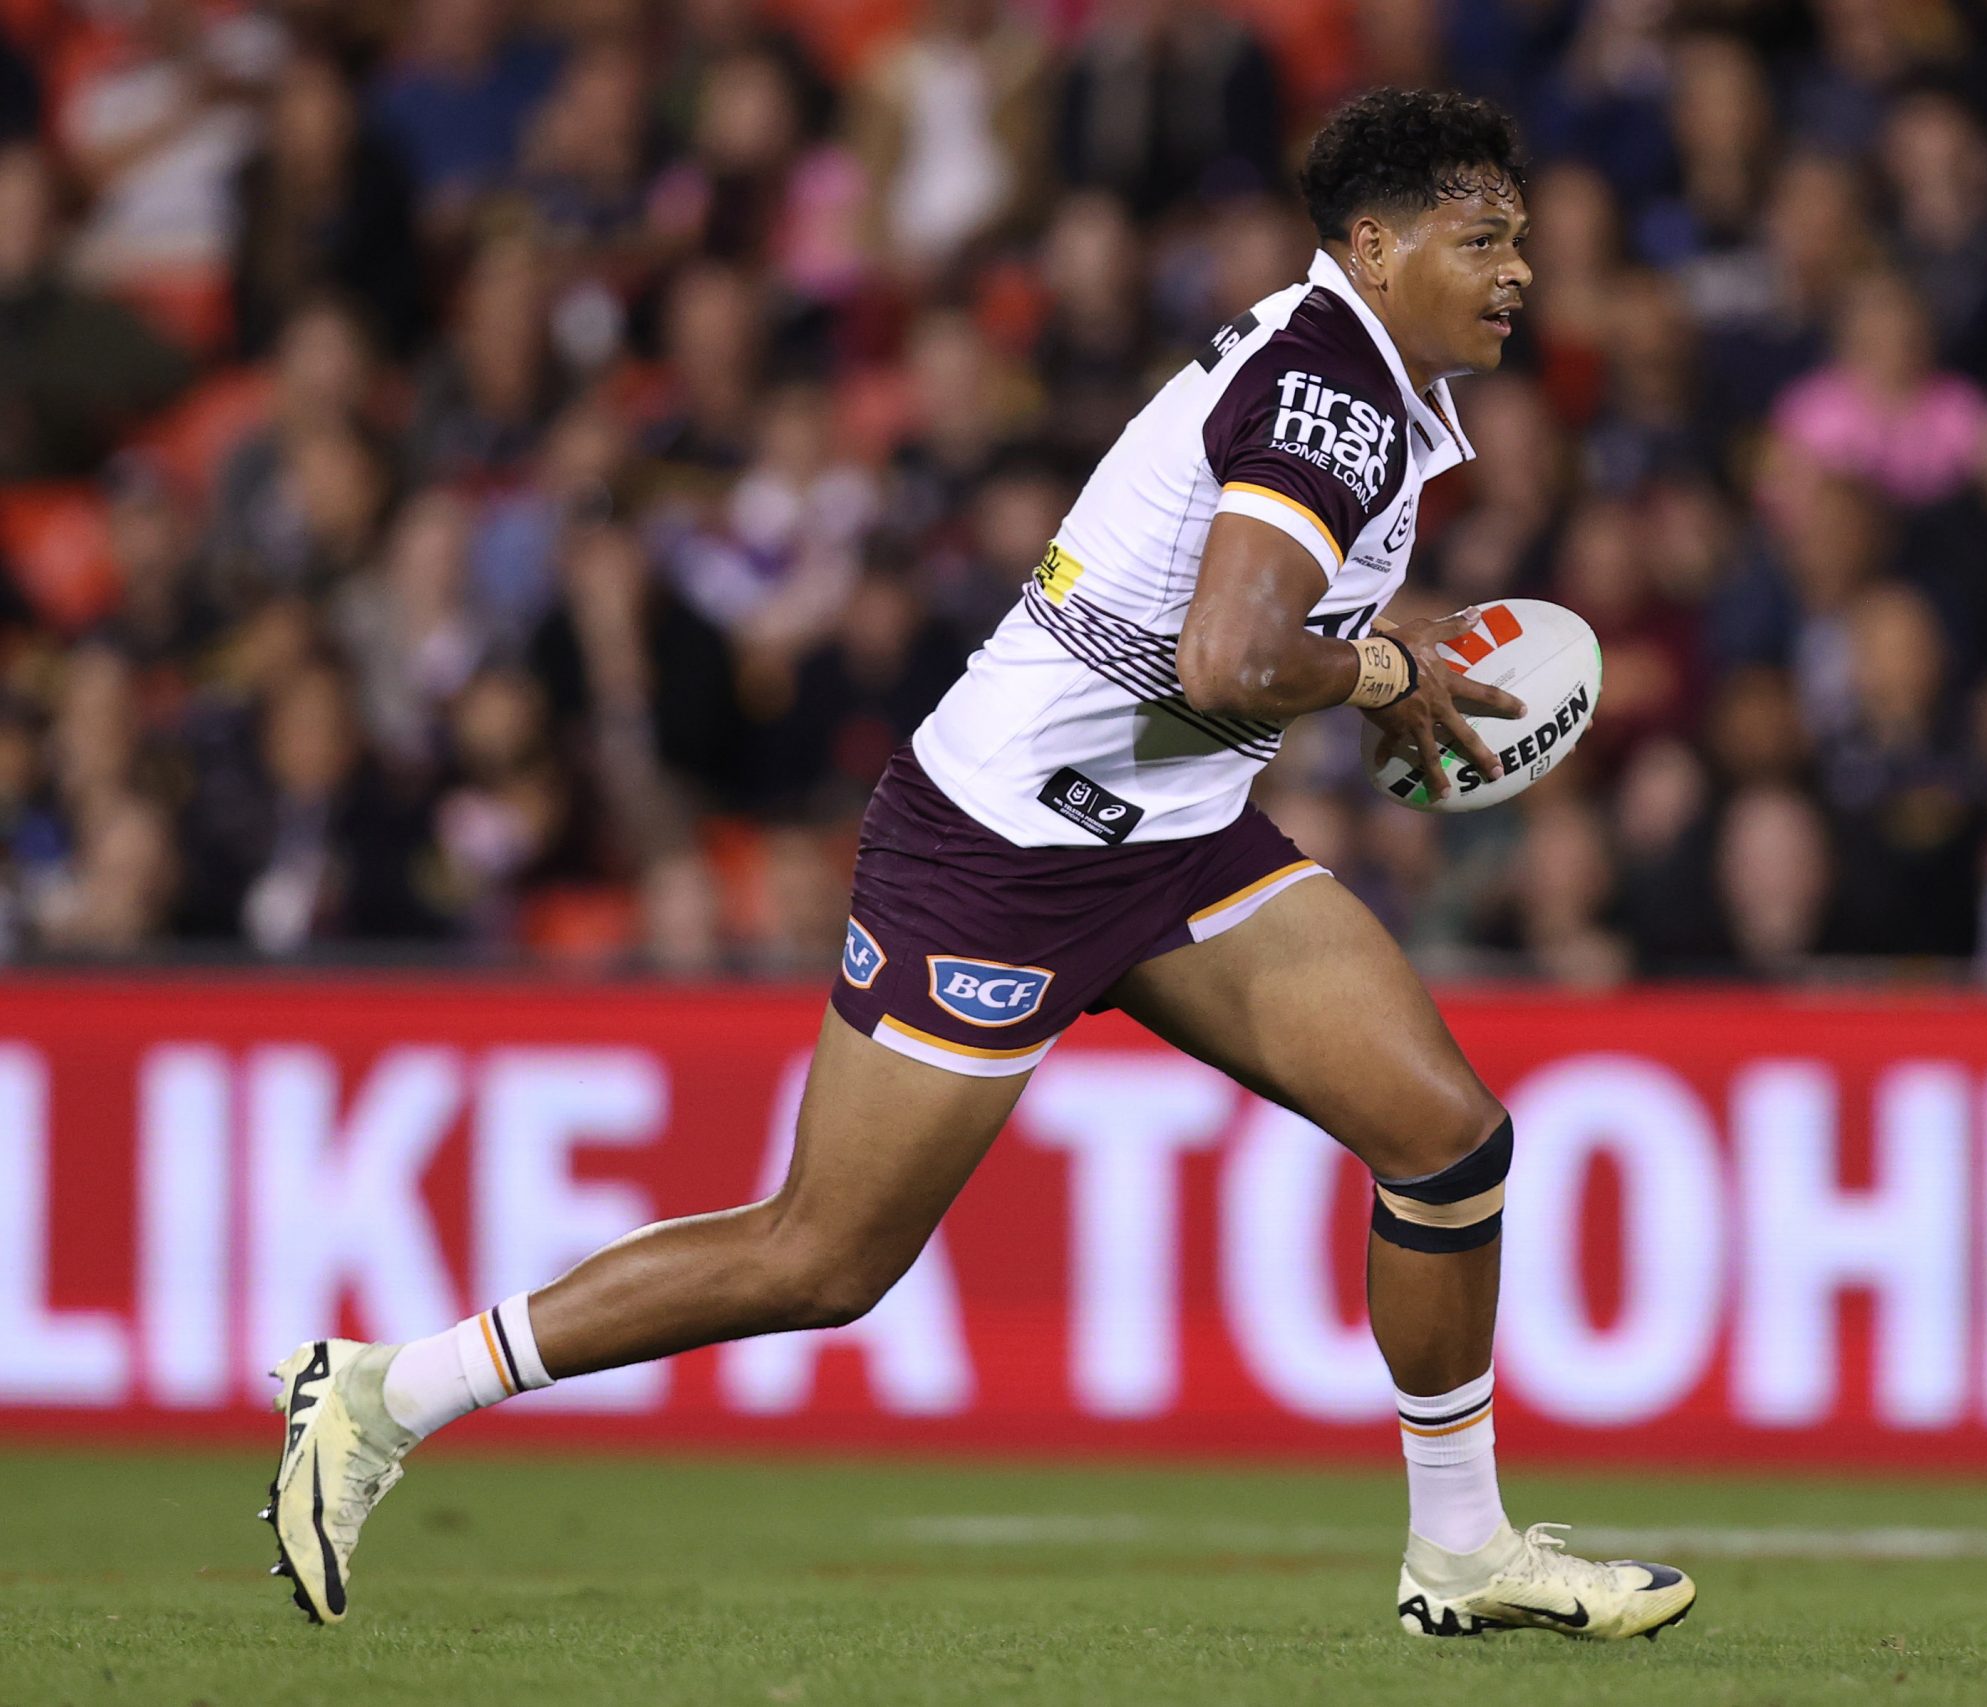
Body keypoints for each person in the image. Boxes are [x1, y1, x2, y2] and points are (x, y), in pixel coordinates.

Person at [258, 88, 1695, 1645]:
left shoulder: (1346, 368)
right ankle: (389, 1394)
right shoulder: (1328, 399)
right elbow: (1232, 652)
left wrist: (1365, 659)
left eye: (1521, 240)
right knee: (821, 1258)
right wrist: (1380, 678)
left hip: (1168, 831)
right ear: (1372, 241)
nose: (1517, 271)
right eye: (1480, 238)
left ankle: (1462, 1554)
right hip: (1005, 847)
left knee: (1445, 1141)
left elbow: (1227, 650)